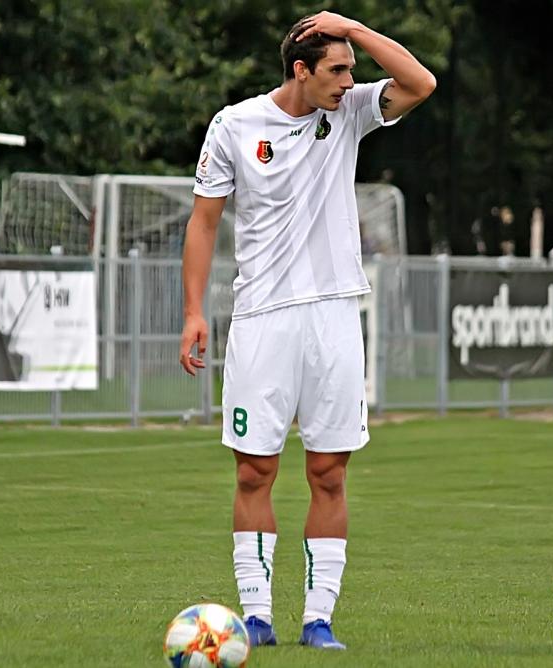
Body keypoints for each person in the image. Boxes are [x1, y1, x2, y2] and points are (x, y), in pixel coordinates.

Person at [179, 11, 435, 651]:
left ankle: (318, 620)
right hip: (261, 318)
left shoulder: (349, 112)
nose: (350, 81)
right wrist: (192, 312)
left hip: (334, 316)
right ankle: (256, 618)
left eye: (352, 71)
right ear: (301, 69)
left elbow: (420, 82)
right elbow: (204, 222)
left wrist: (353, 28)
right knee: (253, 472)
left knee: (328, 472)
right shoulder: (234, 126)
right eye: (338, 69)